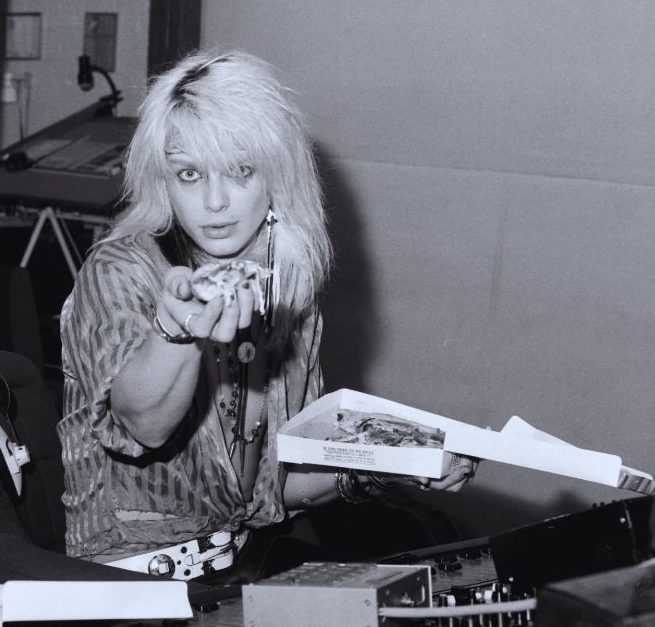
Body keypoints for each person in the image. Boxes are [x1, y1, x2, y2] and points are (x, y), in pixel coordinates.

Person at [58, 50, 476, 576]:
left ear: (276, 177)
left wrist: (398, 466)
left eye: (240, 171)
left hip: (233, 571)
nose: (215, 201)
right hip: (122, 579)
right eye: (189, 174)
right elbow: (143, 425)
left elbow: (272, 487)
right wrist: (175, 330)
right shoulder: (119, 270)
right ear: (164, 182)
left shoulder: (287, 289)